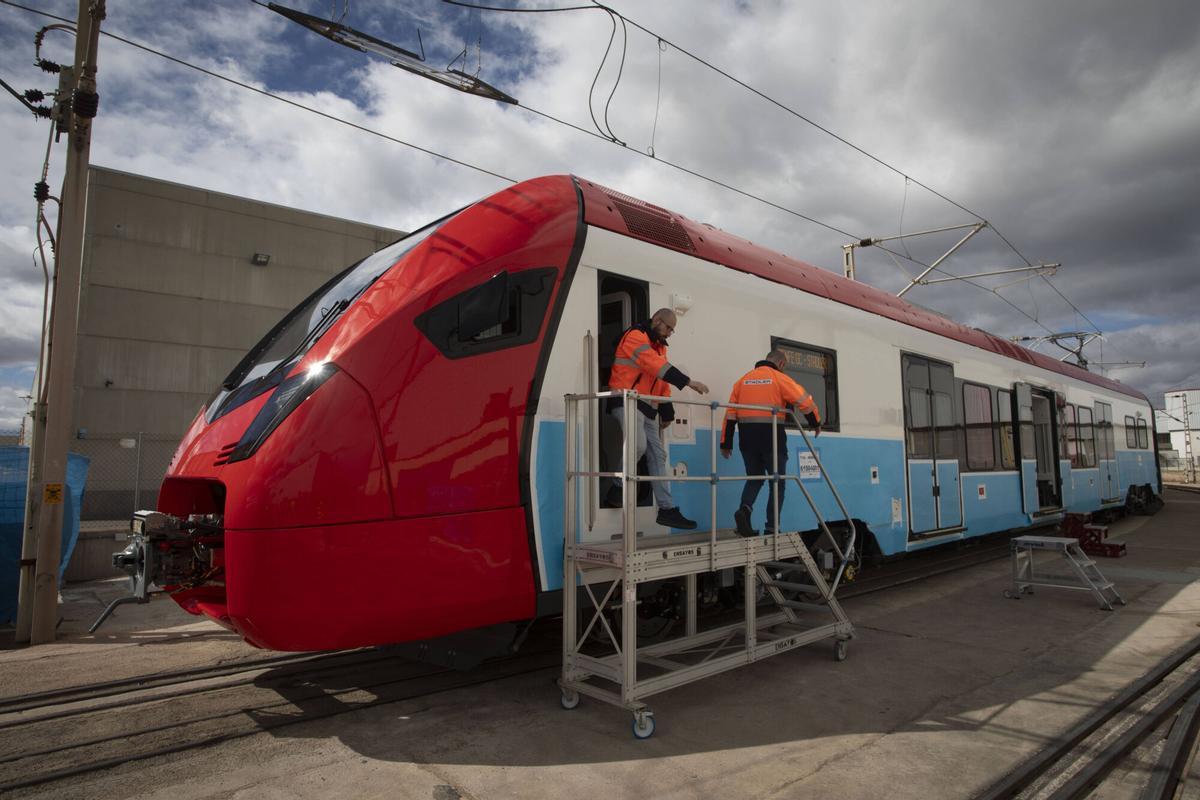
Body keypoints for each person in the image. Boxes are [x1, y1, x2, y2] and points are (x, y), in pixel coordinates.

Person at [608, 308, 709, 529]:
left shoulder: (660, 346)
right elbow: (655, 366)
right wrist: (688, 382)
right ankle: (616, 486)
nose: (671, 333)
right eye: (669, 328)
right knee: (638, 445)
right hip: (626, 400)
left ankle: (667, 510)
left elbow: (660, 380)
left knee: (658, 455)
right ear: (656, 320)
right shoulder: (635, 336)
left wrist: (667, 410)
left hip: (647, 405)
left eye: (673, 329)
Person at [720, 349, 821, 536]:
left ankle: (744, 510)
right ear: (781, 364)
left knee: (755, 479)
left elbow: (730, 414)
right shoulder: (779, 378)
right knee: (777, 483)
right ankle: (771, 527)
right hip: (772, 439)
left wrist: (726, 443)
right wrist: (815, 423)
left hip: (747, 440)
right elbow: (805, 402)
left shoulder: (742, 381)